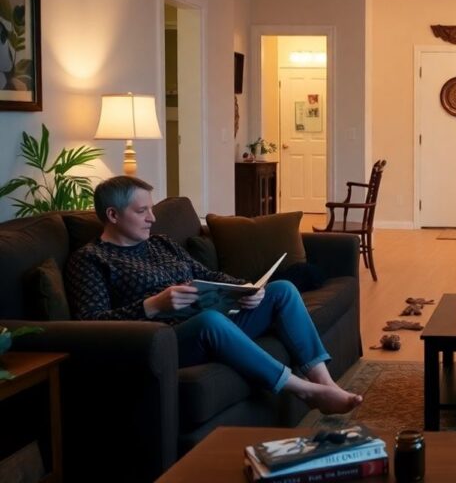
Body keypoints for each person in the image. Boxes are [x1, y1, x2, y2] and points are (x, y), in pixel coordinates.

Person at [65, 175, 362, 416]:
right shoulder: (90, 259)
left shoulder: (161, 244)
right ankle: (302, 390)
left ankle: (324, 385)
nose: (152, 218)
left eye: (151, 209)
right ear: (113, 215)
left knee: (282, 290)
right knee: (209, 321)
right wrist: (153, 306)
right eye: (141, 211)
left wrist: (244, 288)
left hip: (215, 319)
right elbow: (91, 323)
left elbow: (206, 274)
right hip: (168, 339)